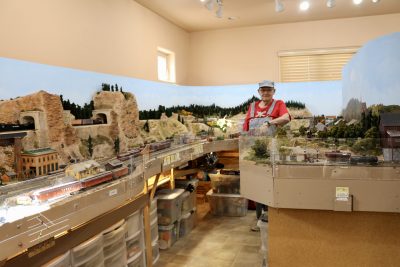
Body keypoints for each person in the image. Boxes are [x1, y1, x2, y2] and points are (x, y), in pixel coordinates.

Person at [243, 80, 291, 231]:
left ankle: (271, 217)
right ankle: (260, 219)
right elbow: (245, 128)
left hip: (271, 151)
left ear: (274, 91)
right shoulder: (252, 107)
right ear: (259, 92)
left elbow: (286, 117)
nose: (265, 93)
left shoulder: (279, 104)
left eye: (268, 90)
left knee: (270, 183)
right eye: (263, 90)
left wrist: (270, 123)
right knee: (257, 184)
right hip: (253, 152)